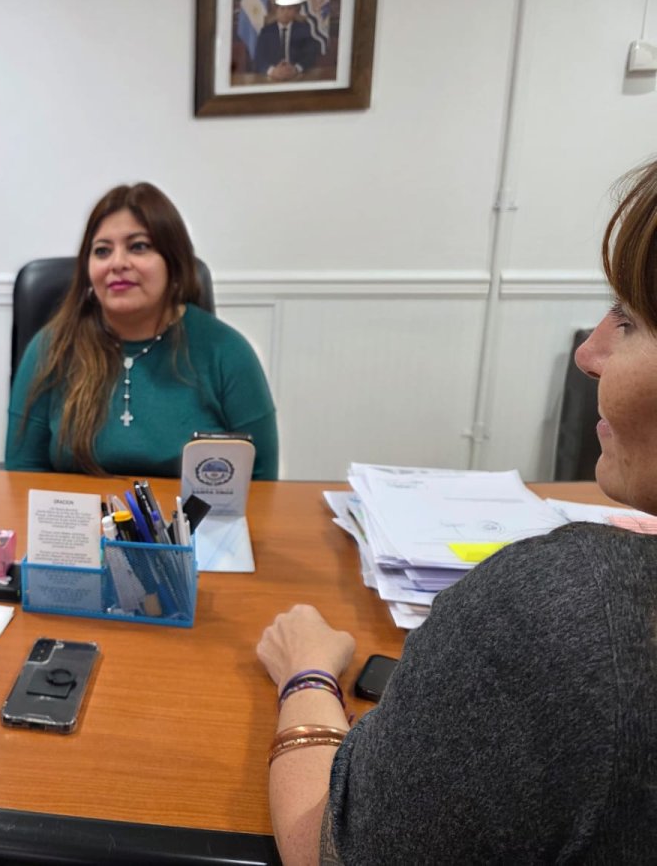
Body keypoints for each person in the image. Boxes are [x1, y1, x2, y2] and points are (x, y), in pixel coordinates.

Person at [256, 160, 657, 863]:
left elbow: (326, 849)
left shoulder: (561, 611)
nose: (589, 353)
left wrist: (308, 674)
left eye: (626, 320)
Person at [5, 182, 277, 479]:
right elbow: (22, 474)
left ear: (173, 262)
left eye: (138, 246)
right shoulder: (50, 348)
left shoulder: (227, 352)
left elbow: (261, 480)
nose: (117, 263)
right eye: (102, 251)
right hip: (77, 511)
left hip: (191, 511)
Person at [254, 0, 320, 80]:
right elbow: (259, 58)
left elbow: (310, 56)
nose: (286, 12)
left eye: (289, 8)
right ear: (276, 11)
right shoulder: (266, 31)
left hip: (297, 76)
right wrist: (272, 71)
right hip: (272, 77)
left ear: (295, 11)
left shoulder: (303, 30)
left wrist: (296, 69)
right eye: (282, 8)